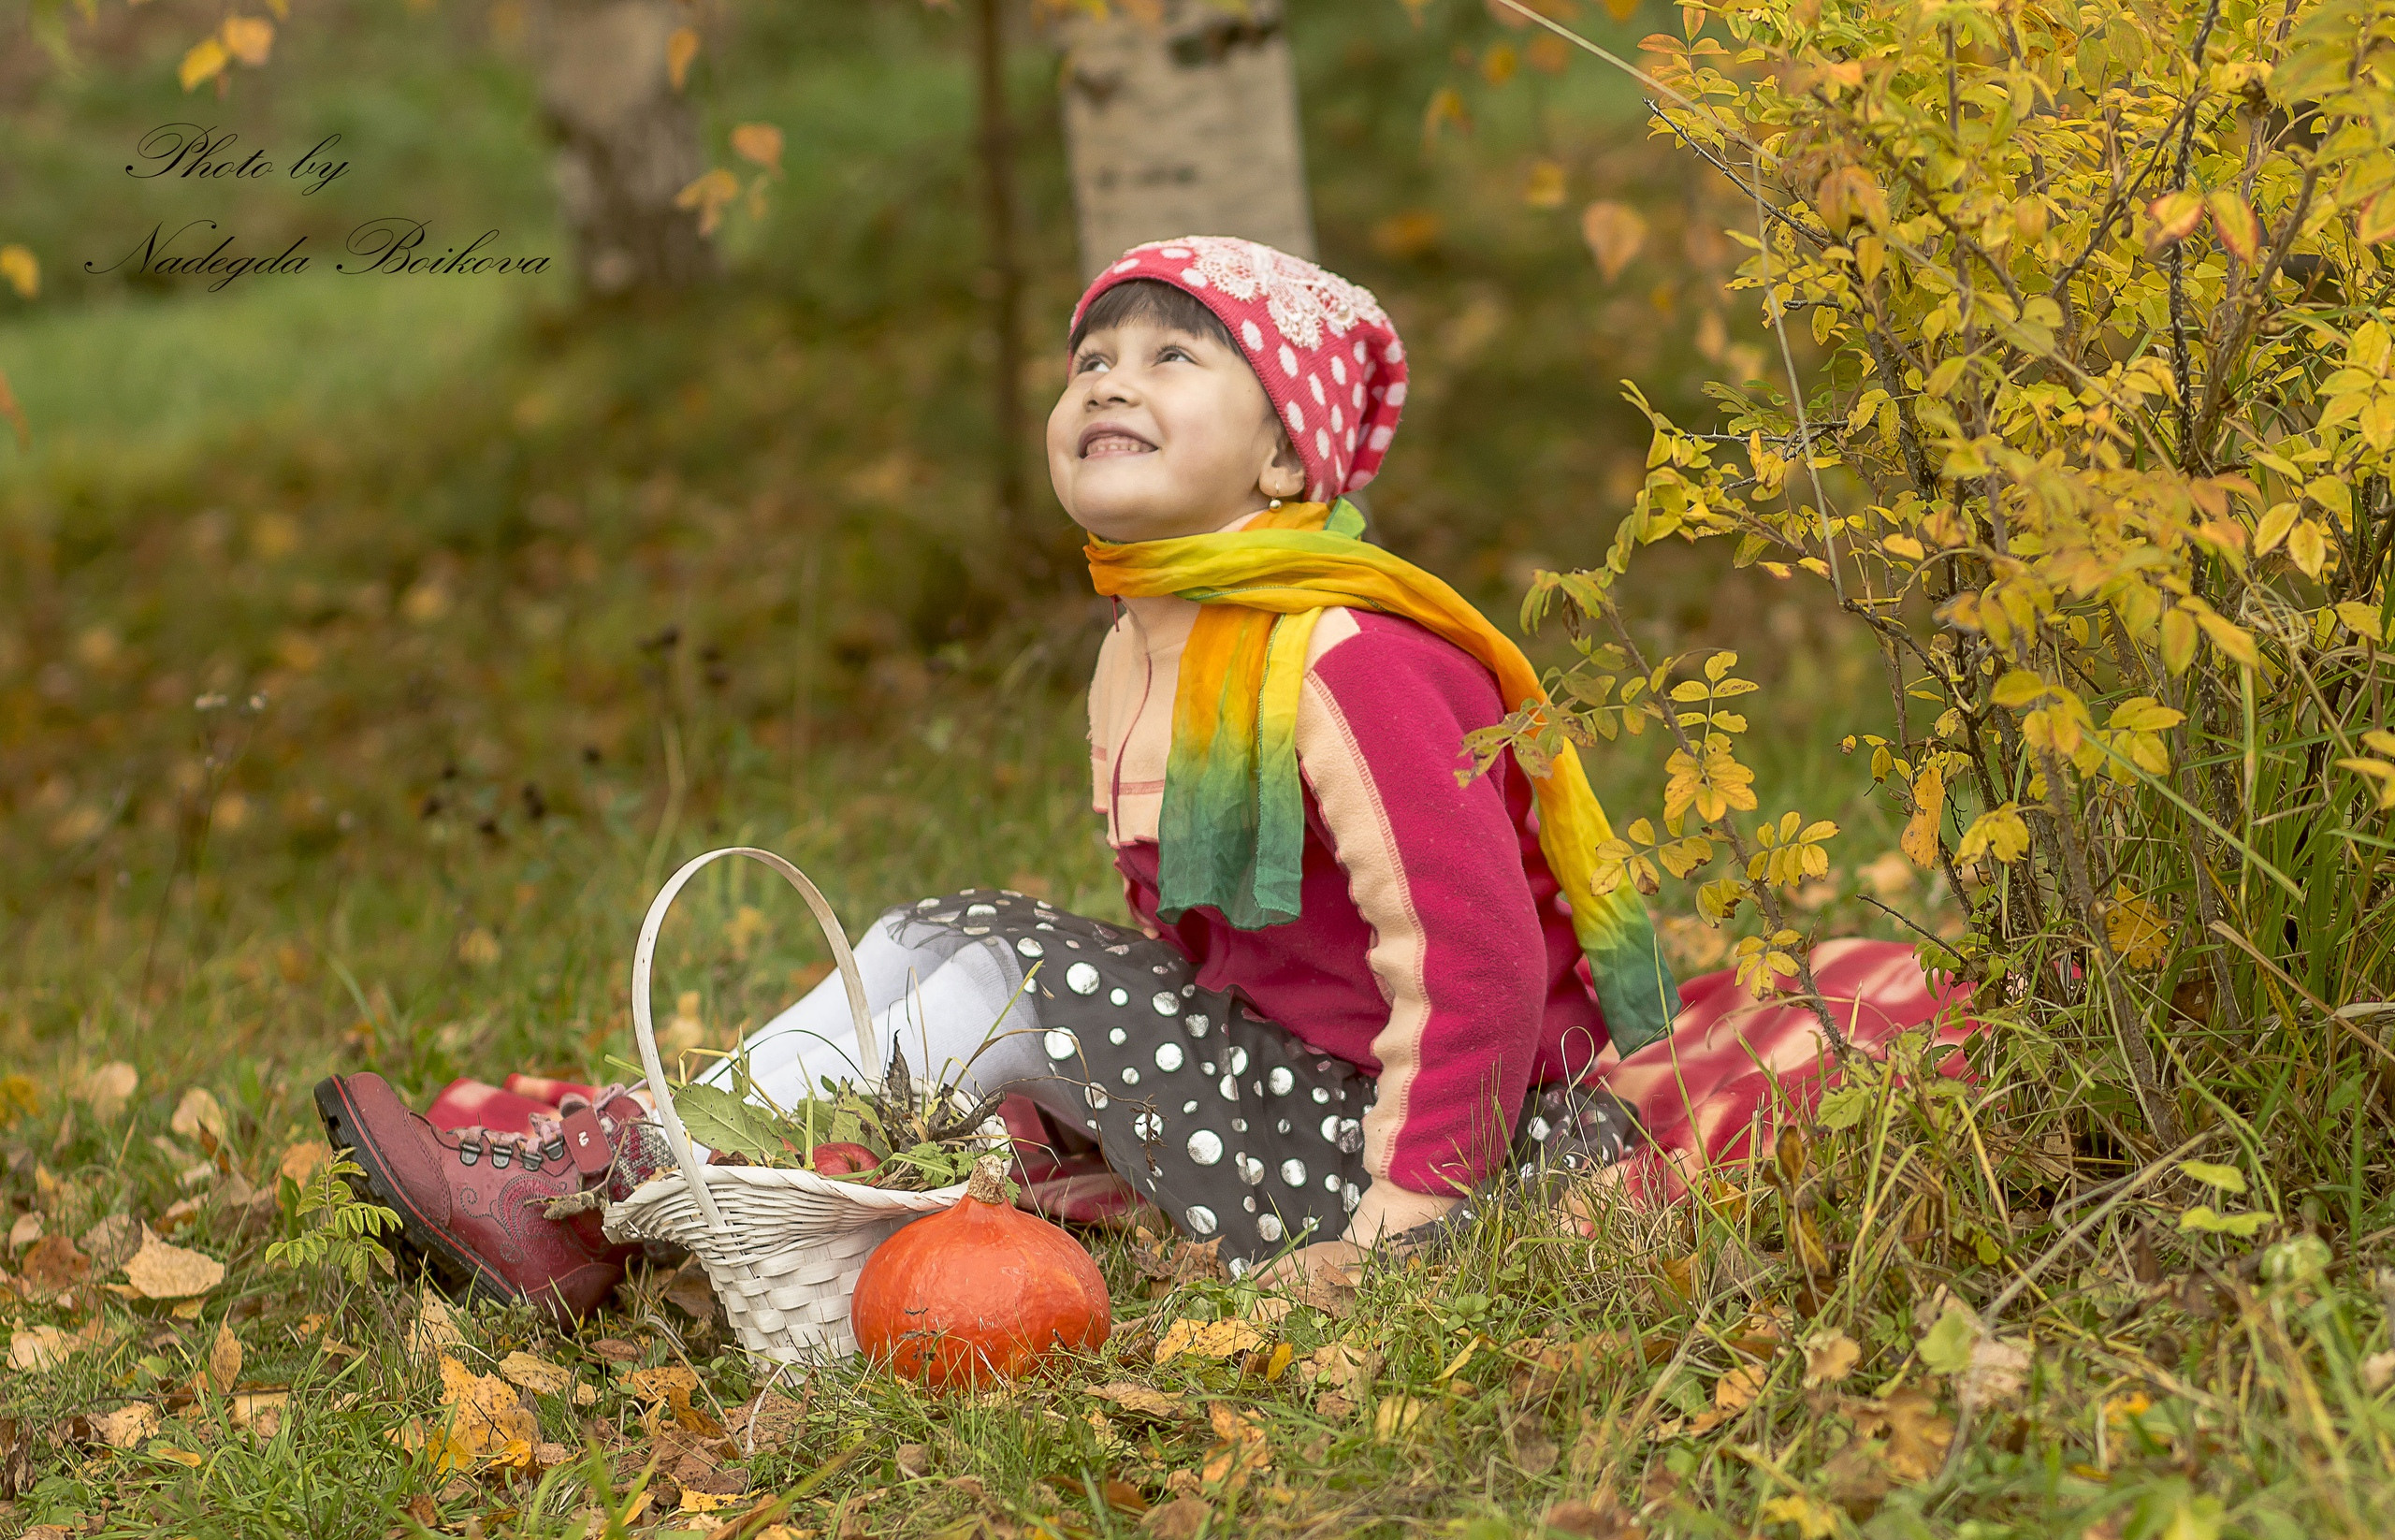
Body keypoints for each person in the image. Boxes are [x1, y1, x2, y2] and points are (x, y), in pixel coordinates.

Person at [312, 237, 1971, 1324]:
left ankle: (600, 1204)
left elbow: (1475, 961)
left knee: (987, 943)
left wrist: (1405, 1222)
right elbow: (1194, 961)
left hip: (1433, 1154)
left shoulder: (1351, 658)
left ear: (1282, 459)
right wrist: (1081, 1111)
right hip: (1285, 1099)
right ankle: (637, 1177)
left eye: (1178, 358)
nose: (1112, 377)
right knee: (975, 951)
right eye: (1093, 356)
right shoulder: (1143, 651)